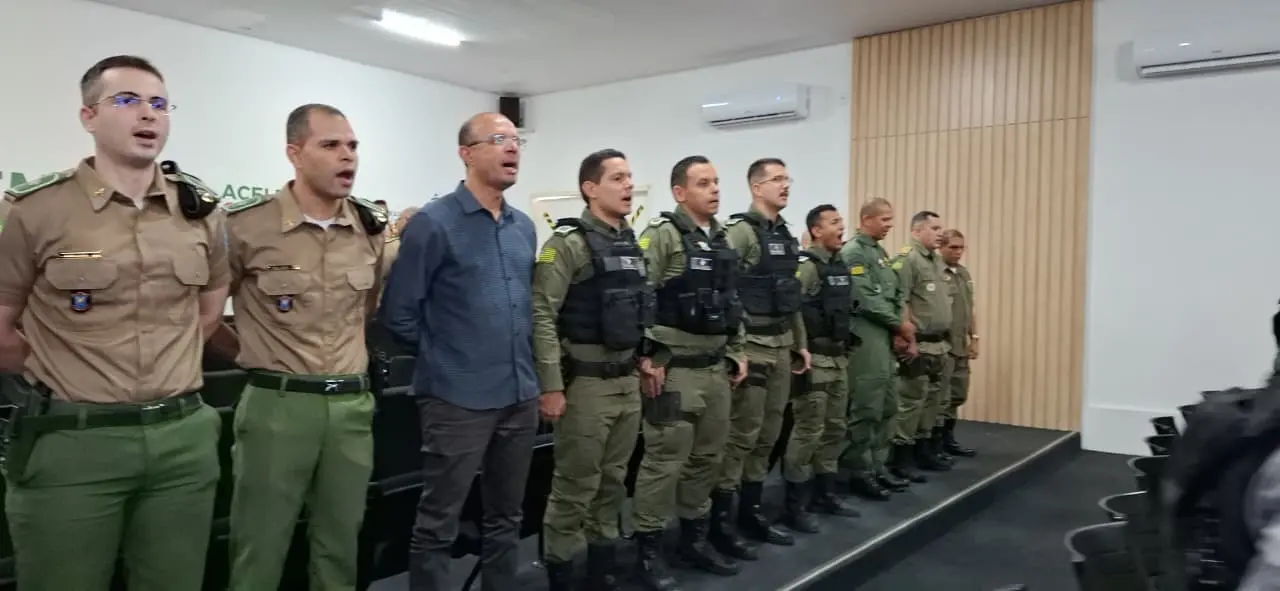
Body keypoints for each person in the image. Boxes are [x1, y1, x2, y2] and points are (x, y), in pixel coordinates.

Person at [0, 55, 228, 591]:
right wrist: (67, 372)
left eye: (158, 103)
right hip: (74, 444)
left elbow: (210, 309)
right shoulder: (35, 211)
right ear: (88, 116)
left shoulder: (202, 213)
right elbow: (2, 325)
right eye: (126, 101)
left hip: (182, 440)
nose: (147, 115)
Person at [218, 103, 386, 590]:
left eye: (352, 145)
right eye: (330, 145)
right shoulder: (246, 226)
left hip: (351, 406)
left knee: (340, 543)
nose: (346, 156)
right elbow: (206, 317)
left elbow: (365, 310)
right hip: (278, 405)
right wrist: (257, 358)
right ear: (294, 153)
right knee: (260, 543)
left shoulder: (369, 229)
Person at [380, 112, 540, 591]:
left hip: (519, 392)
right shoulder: (434, 224)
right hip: (456, 398)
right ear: (466, 153)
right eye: (498, 140)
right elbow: (399, 313)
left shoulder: (523, 227)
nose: (511, 149)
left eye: (516, 141)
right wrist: (448, 357)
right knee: (438, 521)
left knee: (507, 514)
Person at [534, 149, 654, 590]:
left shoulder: (630, 244)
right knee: (574, 486)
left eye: (630, 177)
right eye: (618, 178)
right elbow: (542, 315)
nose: (627, 186)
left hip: (627, 381)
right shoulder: (567, 245)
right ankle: (562, 573)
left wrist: (646, 358)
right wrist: (550, 385)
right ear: (590, 188)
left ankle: (603, 567)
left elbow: (641, 310)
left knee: (614, 482)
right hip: (584, 385)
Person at [631, 155, 749, 589]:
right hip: (675, 370)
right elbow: (639, 297)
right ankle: (648, 551)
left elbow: (732, 303)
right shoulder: (662, 236)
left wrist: (737, 351)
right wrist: (648, 356)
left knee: (707, 460)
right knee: (664, 461)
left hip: (715, 368)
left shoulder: (721, 239)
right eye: (703, 183)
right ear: (680, 192)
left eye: (717, 182)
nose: (714, 189)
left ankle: (694, 541)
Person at [715, 157, 810, 550]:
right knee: (742, 435)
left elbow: (791, 296)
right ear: (756, 187)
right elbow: (725, 292)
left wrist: (800, 342)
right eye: (776, 180)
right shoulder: (739, 233)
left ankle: (751, 513)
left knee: (768, 435)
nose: (784, 185)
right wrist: (735, 349)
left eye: (787, 178)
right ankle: (722, 523)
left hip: (783, 344)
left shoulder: (786, 234)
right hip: (752, 346)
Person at [781, 204, 861, 533]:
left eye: (841, 221)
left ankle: (824, 493)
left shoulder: (839, 266)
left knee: (834, 428)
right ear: (816, 230)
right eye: (834, 222)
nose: (841, 226)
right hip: (813, 360)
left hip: (839, 358)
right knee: (807, 432)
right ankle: (795, 505)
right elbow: (791, 309)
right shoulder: (808, 267)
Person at [839, 198, 913, 500]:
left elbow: (894, 291)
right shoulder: (854, 252)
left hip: (885, 335)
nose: (890, 225)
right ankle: (858, 470)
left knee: (888, 406)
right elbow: (865, 298)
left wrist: (898, 326)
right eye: (884, 219)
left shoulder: (879, 252)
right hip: (866, 337)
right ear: (866, 218)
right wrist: (899, 324)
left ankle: (878, 466)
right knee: (866, 408)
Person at [890, 210, 954, 475]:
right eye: (934, 228)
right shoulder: (908, 260)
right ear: (917, 231)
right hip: (920, 343)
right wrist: (907, 339)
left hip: (939, 345)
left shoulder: (937, 261)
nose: (940, 233)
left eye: (941, 228)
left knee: (933, 401)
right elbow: (901, 301)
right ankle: (901, 457)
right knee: (911, 401)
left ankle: (923, 449)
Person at [938, 229, 978, 457]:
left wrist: (975, 337)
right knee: (940, 397)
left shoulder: (963, 273)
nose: (958, 252)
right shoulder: (936, 273)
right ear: (941, 247)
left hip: (961, 345)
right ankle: (934, 445)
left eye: (961, 247)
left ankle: (948, 438)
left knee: (957, 394)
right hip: (943, 345)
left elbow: (970, 309)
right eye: (953, 247)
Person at [382, 206, 419, 278]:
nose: (395, 223)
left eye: (399, 219)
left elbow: (378, 275)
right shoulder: (430, 247)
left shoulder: (393, 247)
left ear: (408, 220)